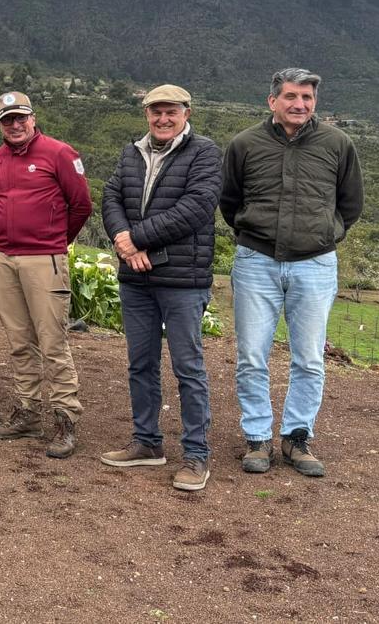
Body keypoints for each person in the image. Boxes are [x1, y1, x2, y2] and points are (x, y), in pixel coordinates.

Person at [221, 68, 364, 477]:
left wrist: (325, 234)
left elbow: (350, 204)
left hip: (315, 264)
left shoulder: (338, 144)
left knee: (310, 358)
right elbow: (230, 202)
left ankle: (297, 438)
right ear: (272, 101)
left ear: (314, 102)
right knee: (252, 355)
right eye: (291, 96)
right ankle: (257, 438)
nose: (299, 104)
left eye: (307, 97)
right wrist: (253, 233)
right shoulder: (245, 144)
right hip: (256, 262)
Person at [100, 85, 222, 491]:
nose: (163, 119)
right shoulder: (131, 152)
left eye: (171, 111)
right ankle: (147, 442)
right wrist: (122, 239)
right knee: (140, 363)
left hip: (183, 280)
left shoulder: (204, 153)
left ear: (187, 113)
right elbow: (111, 196)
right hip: (136, 279)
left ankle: (196, 454)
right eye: (156, 112)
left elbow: (196, 207)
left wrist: (136, 239)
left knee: (188, 368)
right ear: (146, 114)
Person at [0, 90, 92, 457]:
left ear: (33, 118)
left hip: (44, 259)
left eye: (20, 118)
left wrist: (55, 242)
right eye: (7, 120)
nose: (15, 125)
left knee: (52, 343)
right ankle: (28, 413)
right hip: (6, 259)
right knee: (19, 342)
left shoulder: (59, 153)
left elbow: (81, 205)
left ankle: (66, 419)